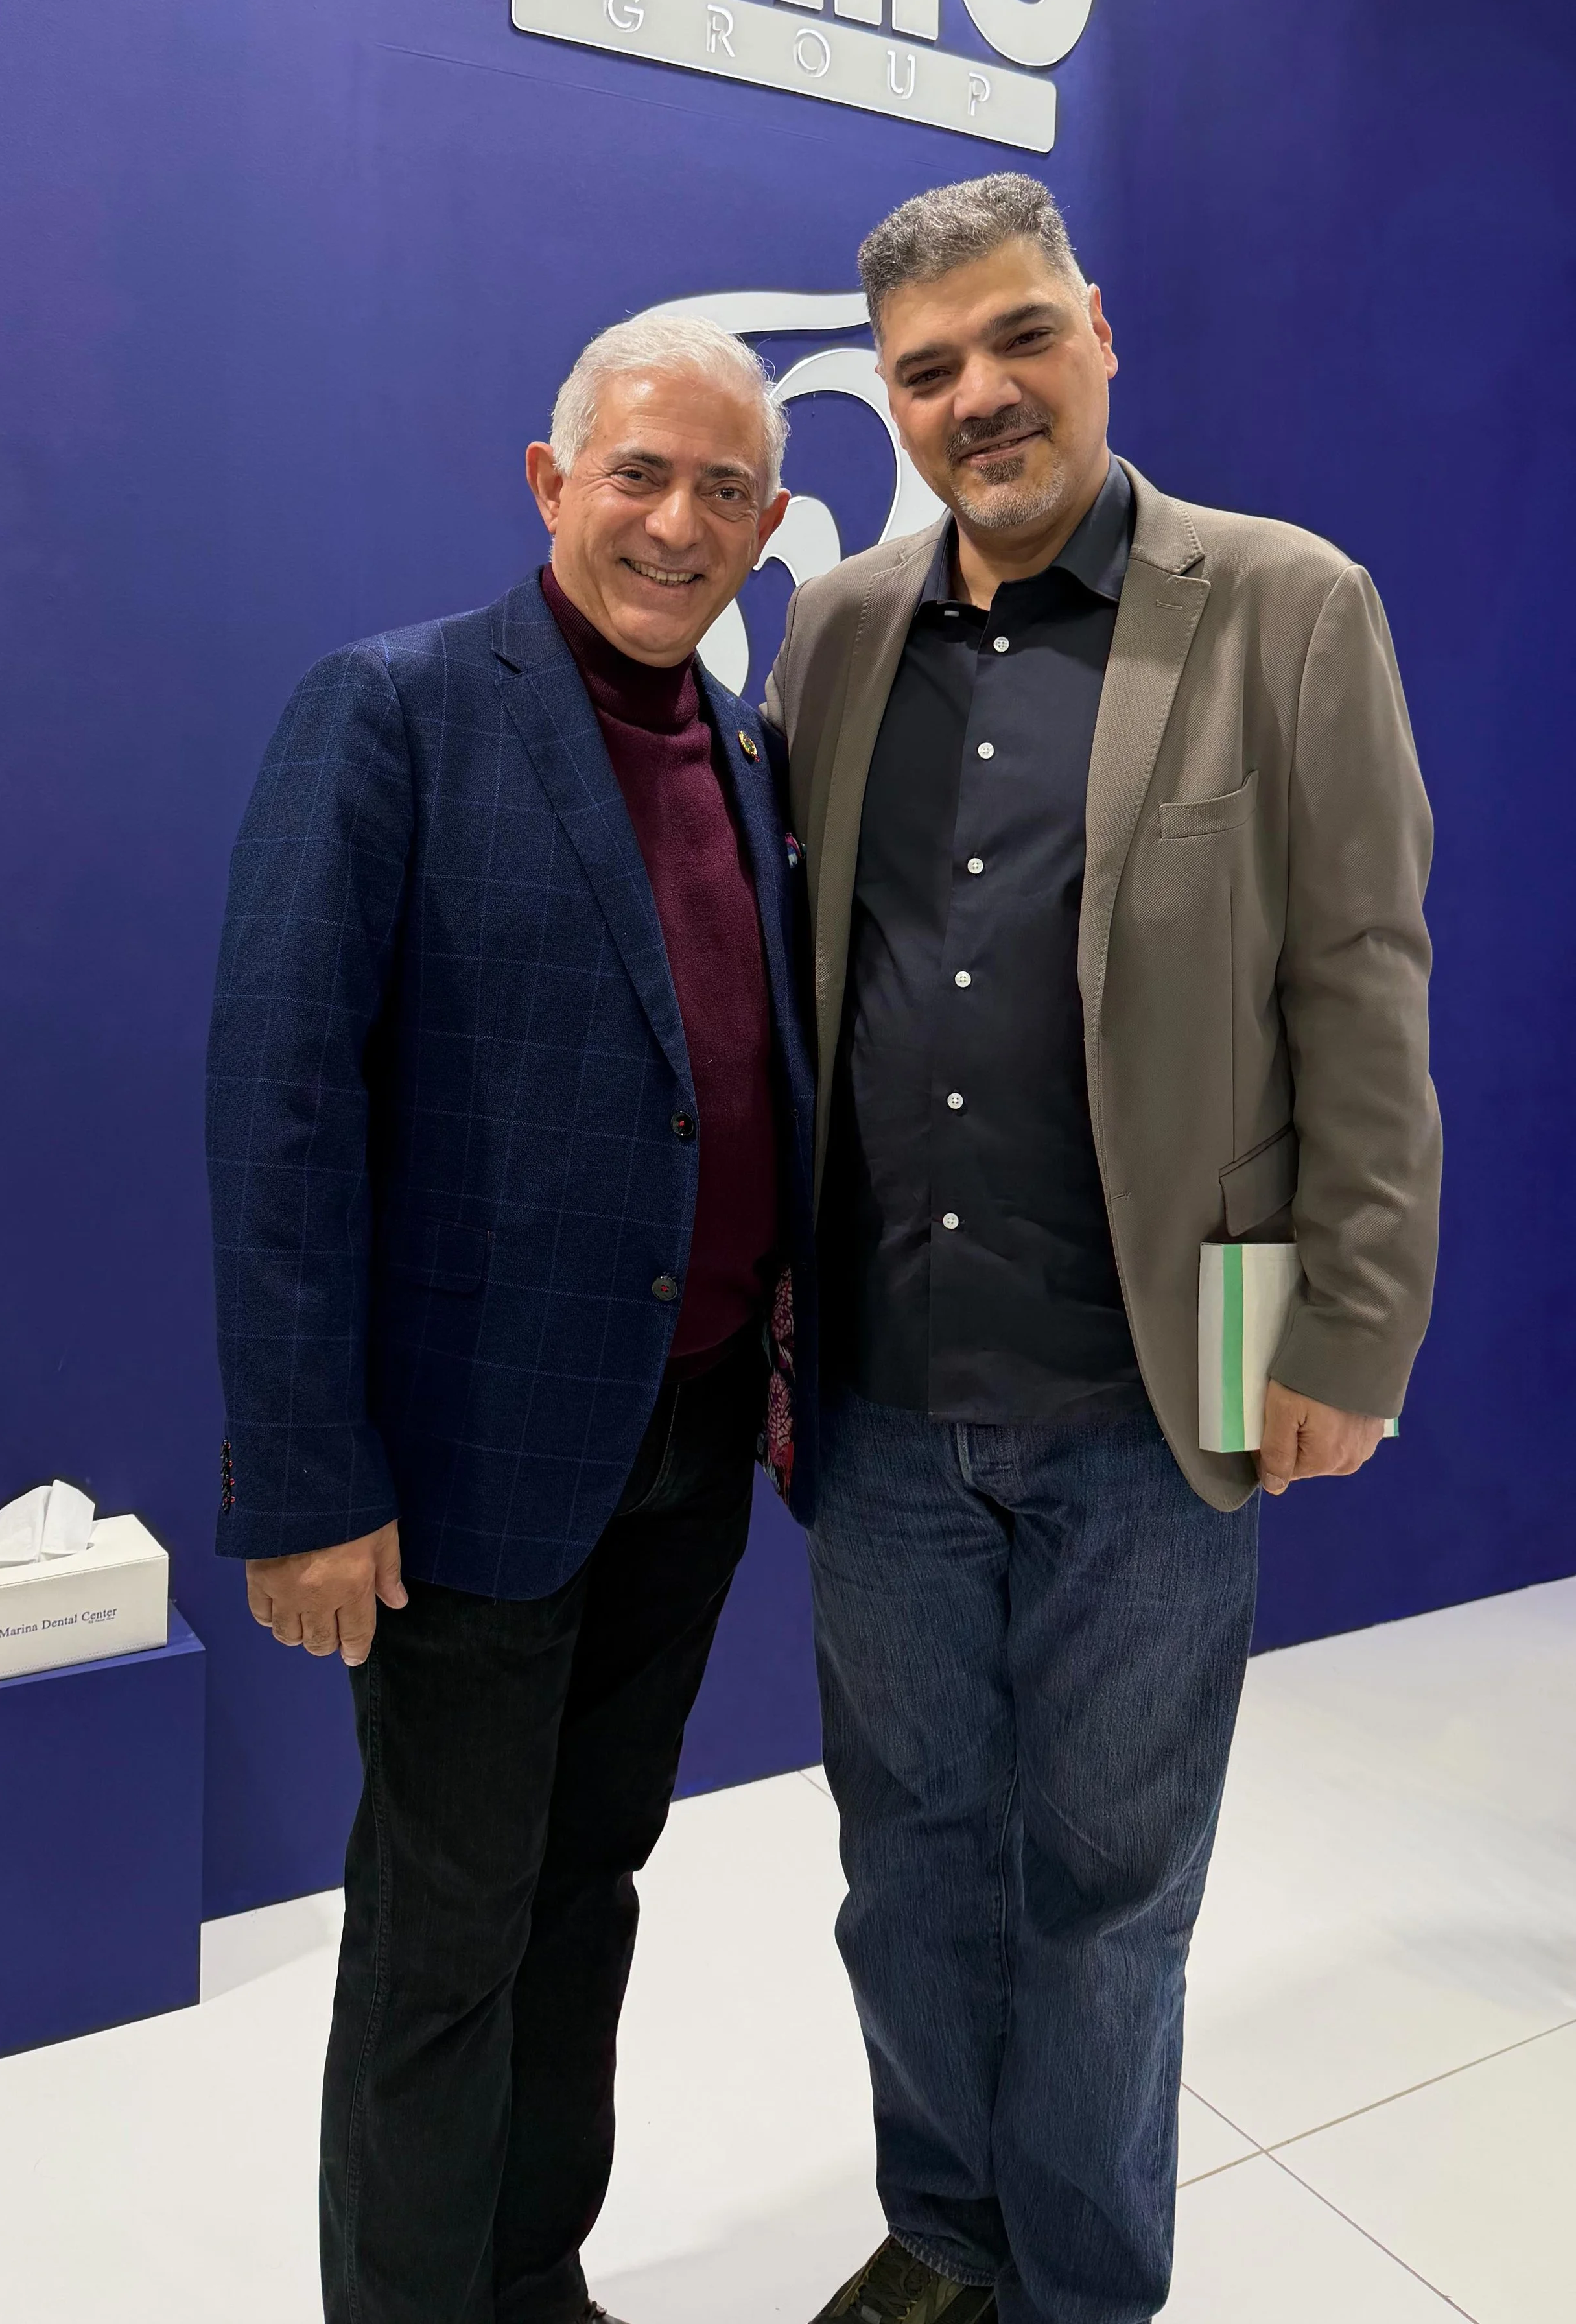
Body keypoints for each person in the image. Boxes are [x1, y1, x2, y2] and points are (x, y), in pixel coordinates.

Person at [765, 173, 1441, 2324]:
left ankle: (1076, 2286)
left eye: (1017, 337)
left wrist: (1347, 1328)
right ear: (891, 401)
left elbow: (1359, 983)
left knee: (1108, 1891)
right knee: (905, 1871)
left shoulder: (1283, 604)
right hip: (880, 1401)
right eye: (926, 370)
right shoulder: (836, 631)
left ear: (1099, 336)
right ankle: (943, 2236)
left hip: (1153, 1393)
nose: (978, 395)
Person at [206, 314, 817, 2324]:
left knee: (587, 1890)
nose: (676, 523)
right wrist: (308, 1482)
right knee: (442, 1935)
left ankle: (532, 2278)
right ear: (552, 483)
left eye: (723, 489)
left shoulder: (749, 756)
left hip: (689, 1442)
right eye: (639, 474)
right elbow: (284, 1110)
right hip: (467, 1466)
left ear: (770, 526)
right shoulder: (391, 713)